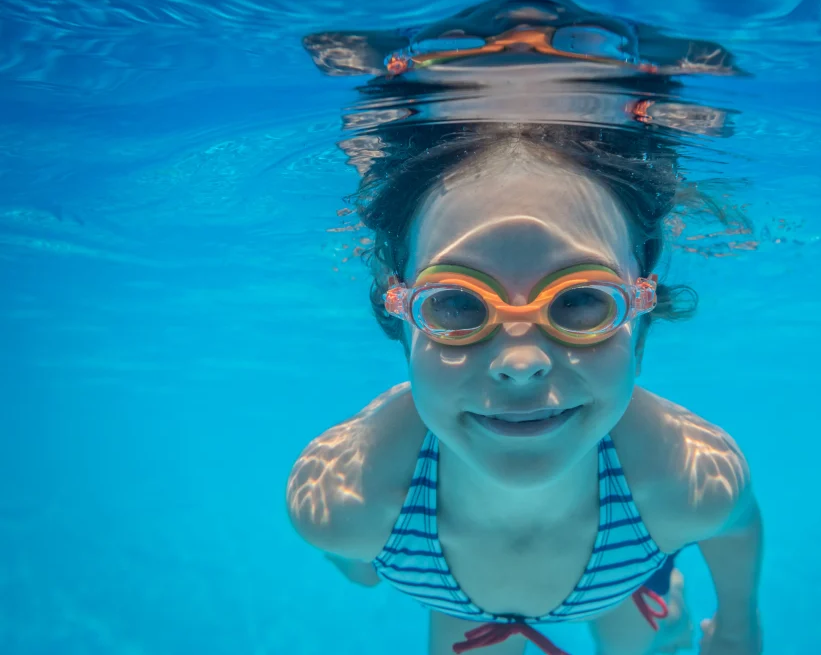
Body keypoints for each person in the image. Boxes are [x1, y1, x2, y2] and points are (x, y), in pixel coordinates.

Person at [285, 121, 763, 655]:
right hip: (451, 594)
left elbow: (738, 524)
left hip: (620, 573)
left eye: (580, 301)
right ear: (401, 323)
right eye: (458, 304)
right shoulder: (344, 502)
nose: (520, 364)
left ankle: (656, 602)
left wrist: (739, 624)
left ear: (641, 327)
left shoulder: (686, 483)